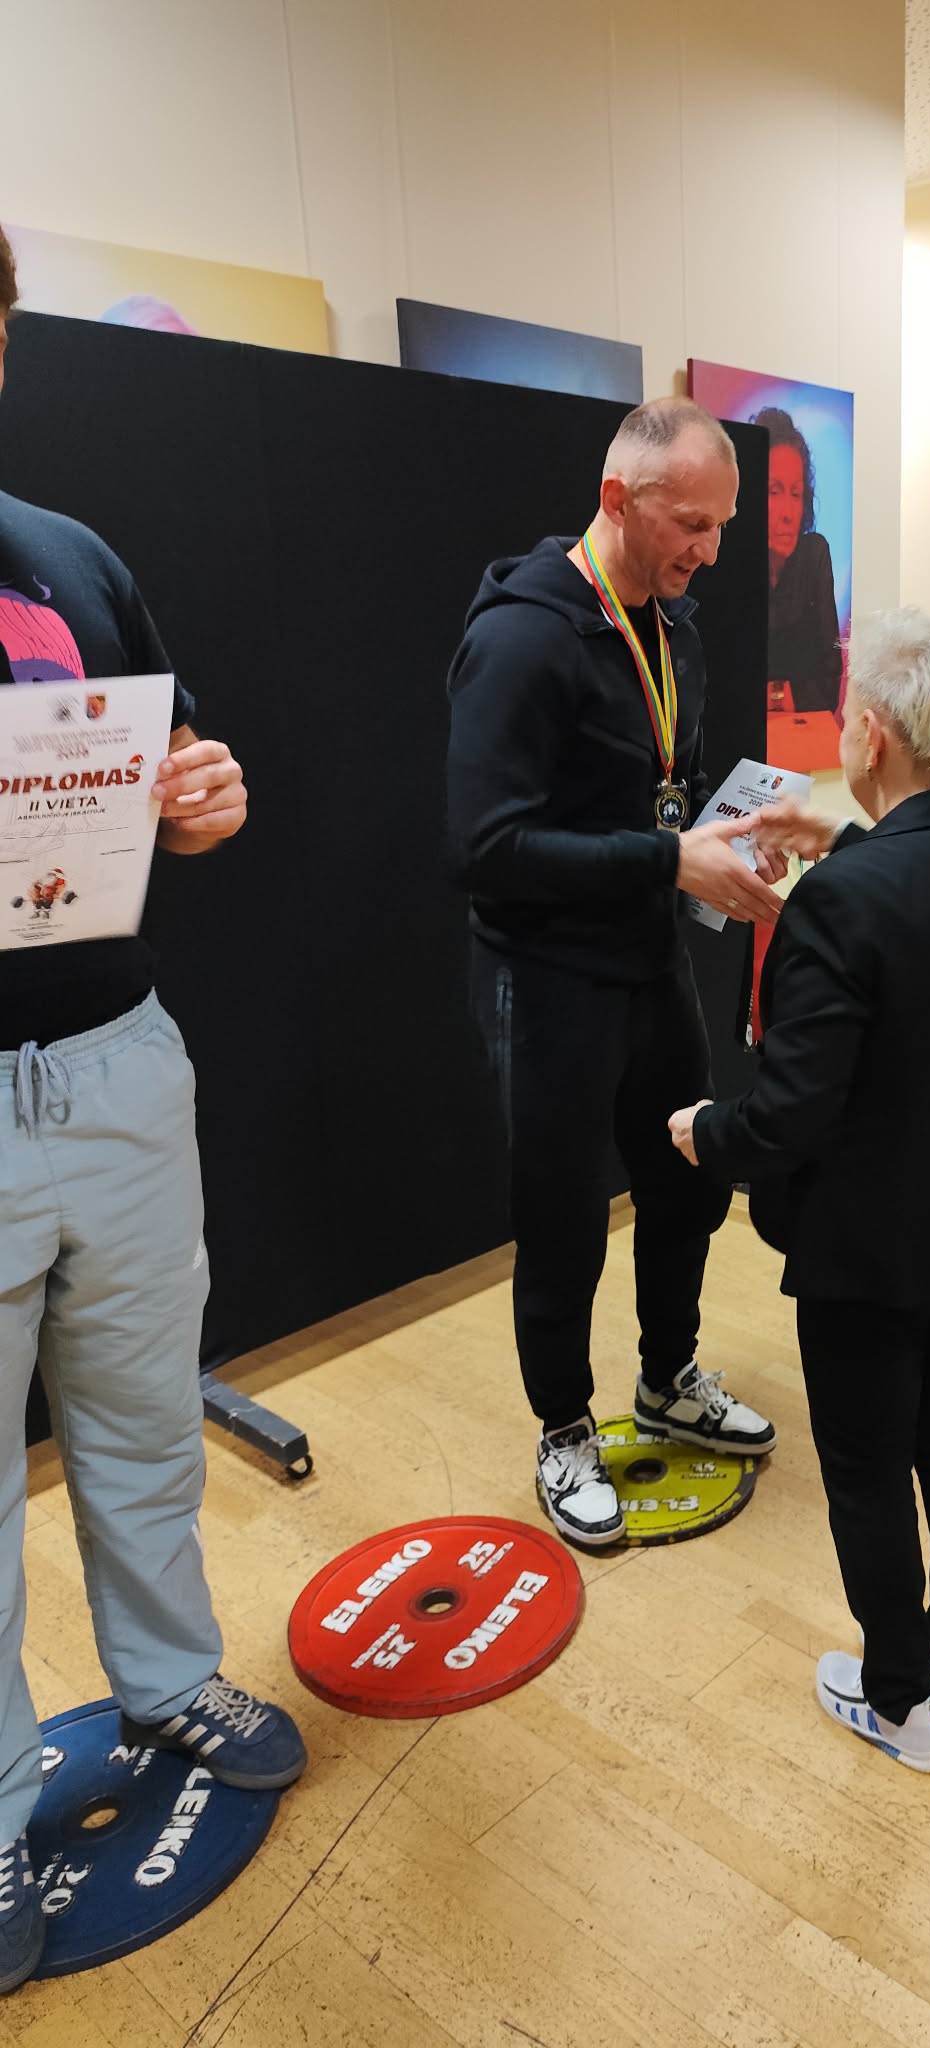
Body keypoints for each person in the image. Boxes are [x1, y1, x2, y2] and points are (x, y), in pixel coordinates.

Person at [0, 228, 306, 1998]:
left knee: (138, 1418)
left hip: (119, 1056)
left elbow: (181, 766)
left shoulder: (73, 557)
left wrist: (208, 794)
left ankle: (169, 1675)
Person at [667, 607, 930, 1773]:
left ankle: (897, 1699)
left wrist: (702, 1132)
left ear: (873, 732)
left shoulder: (843, 899)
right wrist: (841, 838)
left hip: (872, 1243)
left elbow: (786, 1114)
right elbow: (928, 903)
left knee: (868, 1461)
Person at [444, 396, 783, 1549]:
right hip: (543, 974)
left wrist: (738, 836)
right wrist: (667, 858)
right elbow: (483, 847)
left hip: (648, 956)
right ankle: (563, 1427)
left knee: (686, 1176)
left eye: (722, 524)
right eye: (691, 523)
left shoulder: (674, 627)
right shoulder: (522, 638)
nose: (711, 549)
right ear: (615, 500)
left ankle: (668, 1377)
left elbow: (668, 791)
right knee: (563, 1216)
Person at [757, 407, 842, 715]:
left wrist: (768, 697)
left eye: (795, 494)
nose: (787, 513)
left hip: (805, 730)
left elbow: (829, 686)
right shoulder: (730, 561)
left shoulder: (814, 554)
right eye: (774, 491)